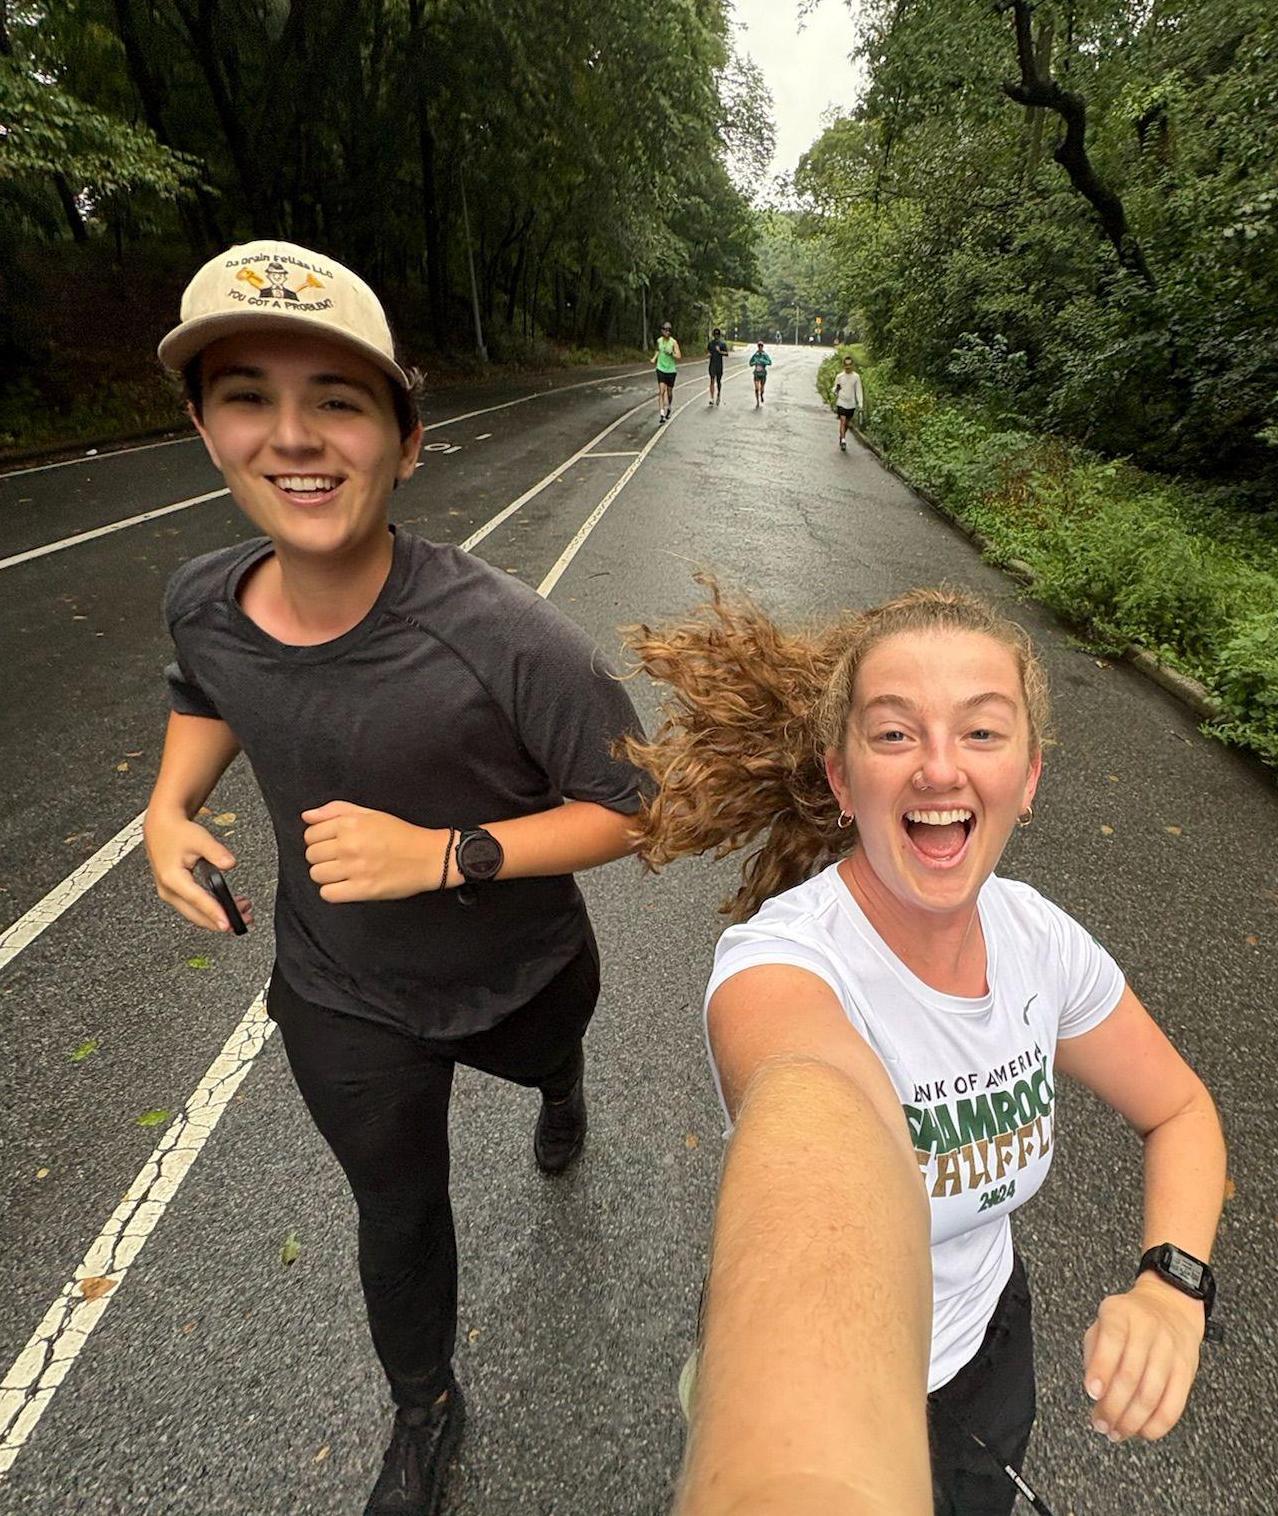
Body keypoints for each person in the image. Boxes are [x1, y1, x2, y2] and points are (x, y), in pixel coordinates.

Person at [145, 240, 648, 1516]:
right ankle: (425, 1408)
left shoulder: (507, 637)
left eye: (340, 401)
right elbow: (208, 689)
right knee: (397, 1208)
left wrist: (440, 855)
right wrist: (167, 808)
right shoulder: (203, 598)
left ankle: (561, 1081)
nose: (294, 436)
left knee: (548, 1053)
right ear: (206, 428)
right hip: (343, 992)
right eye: (249, 394)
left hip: (521, 966)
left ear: (406, 441)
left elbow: (640, 807)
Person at [624, 583, 1226, 1514]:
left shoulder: (1041, 940)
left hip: (989, 1346)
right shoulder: (779, 967)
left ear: (1027, 780)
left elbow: (1179, 1110)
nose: (939, 769)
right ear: (840, 777)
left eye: (981, 733)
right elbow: (815, 1107)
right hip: (812, 1367)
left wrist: (1172, 1285)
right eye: (895, 733)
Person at [833, 353, 864, 451]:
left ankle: (842, 436)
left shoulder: (856, 377)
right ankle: (843, 440)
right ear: (843, 365)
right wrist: (836, 390)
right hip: (841, 402)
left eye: (850, 364)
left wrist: (860, 404)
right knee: (842, 421)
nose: (848, 367)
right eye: (846, 365)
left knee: (846, 423)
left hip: (851, 404)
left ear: (852, 365)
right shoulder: (839, 376)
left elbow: (859, 391)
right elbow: (835, 389)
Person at [654, 321, 681, 422]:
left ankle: (669, 406)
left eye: (669, 330)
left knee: (669, 392)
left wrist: (672, 353)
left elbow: (679, 356)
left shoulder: (673, 342)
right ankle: (661, 413)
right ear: (662, 331)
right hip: (660, 368)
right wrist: (654, 358)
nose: (667, 332)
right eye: (665, 330)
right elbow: (657, 350)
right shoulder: (659, 341)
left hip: (671, 370)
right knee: (661, 391)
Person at [706, 326, 729, 407]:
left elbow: (727, 354)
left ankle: (718, 394)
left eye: (717, 334)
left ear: (719, 335)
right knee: (712, 380)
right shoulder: (710, 343)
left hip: (719, 365)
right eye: (715, 334)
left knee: (718, 381)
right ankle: (711, 398)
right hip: (712, 365)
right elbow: (708, 351)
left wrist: (720, 351)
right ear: (713, 335)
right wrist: (708, 354)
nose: (716, 336)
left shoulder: (722, 344)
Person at [748, 340, 772, 406]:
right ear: (758, 347)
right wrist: (754, 363)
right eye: (759, 346)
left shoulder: (765, 355)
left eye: (761, 346)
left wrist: (763, 361)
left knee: (762, 388)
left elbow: (770, 362)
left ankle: (761, 395)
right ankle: (757, 401)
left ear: (763, 347)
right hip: (756, 374)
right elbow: (750, 363)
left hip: (763, 374)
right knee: (756, 388)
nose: (760, 347)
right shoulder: (755, 355)